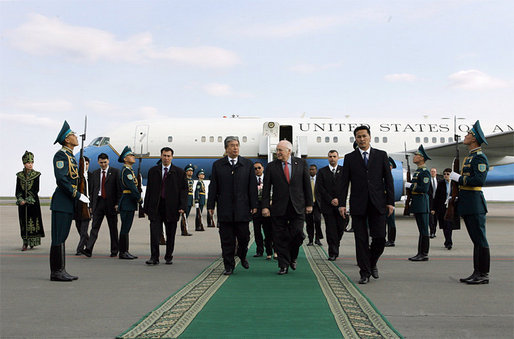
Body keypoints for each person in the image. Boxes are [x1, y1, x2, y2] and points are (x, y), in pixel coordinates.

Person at [339, 126, 394, 284]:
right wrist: (342, 204)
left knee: (380, 238)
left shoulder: (381, 155)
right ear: (355, 139)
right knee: (361, 240)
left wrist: (390, 202)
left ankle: (371, 262)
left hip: (378, 204)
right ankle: (364, 272)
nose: (361, 139)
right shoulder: (350, 158)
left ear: (370, 137)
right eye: (358, 137)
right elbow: (344, 183)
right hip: (358, 204)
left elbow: (388, 180)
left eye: (364, 136)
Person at [207, 136, 258, 275]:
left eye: (237, 145)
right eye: (232, 145)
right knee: (227, 240)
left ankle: (242, 255)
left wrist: (254, 204)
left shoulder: (247, 164)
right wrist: (210, 205)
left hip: (242, 209)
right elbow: (214, 187)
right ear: (226, 148)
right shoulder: (218, 165)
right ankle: (229, 265)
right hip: (225, 209)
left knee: (244, 238)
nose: (235, 148)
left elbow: (252, 187)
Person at [262, 140, 313, 275]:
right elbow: (266, 189)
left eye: (280, 150)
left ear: (289, 151)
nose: (277, 153)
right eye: (277, 150)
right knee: (279, 237)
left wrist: (309, 204)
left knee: (298, 234)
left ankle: (293, 256)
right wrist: (265, 207)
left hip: (297, 206)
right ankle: (283, 265)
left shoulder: (301, 163)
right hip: (279, 208)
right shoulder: (271, 166)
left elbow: (307, 185)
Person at [450, 120, 490, 285]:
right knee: (476, 240)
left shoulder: (479, 158)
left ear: (474, 138)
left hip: (475, 203)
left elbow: (478, 180)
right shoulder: (470, 157)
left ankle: (483, 274)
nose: (466, 136)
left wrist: (459, 178)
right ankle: (477, 272)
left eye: (468, 134)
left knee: (480, 239)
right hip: (468, 203)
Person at [49, 121, 89, 281]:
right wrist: (77, 194)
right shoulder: (61, 155)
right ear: (66, 139)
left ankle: (61, 269)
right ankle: (56, 272)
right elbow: (61, 179)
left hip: (68, 203)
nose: (75, 136)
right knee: (58, 237)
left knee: (63, 236)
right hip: (62, 202)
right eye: (72, 134)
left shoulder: (71, 156)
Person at [144, 147, 187, 265]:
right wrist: (145, 207)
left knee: (170, 234)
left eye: (168, 156)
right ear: (161, 156)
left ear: (172, 157)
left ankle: (169, 256)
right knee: (154, 233)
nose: (166, 158)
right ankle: (154, 257)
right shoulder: (153, 171)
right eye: (164, 155)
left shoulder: (179, 172)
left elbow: (184, 191)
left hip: (172, 208)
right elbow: (149, 190)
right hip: (156, 207)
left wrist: (183, 206)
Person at [81, 153, 121, 258]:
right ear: (98, 162)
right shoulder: (95, 173)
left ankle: (114, 250)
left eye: (105, 162)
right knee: (94, 227)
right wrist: (90, 205)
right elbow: (93, 190)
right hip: (98, 203)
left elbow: (118, 190)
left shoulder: (115, 172)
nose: (103, 164)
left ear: (108, 161)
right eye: (101, 162)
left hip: (111, 204)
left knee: (113, 228)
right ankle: (88, 249)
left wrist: (117, 203)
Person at [315, 150, 346, 261]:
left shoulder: (343, 171)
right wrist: (330, 199)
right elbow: (320, 188)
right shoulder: (322, 172)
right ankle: (332, 252)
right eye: (330, 156)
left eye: (334, 156)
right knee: (331, 230)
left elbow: (345, 187)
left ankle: (336, 244)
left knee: (341, 228)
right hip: (328, 206)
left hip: (341, 205)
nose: (332, 158)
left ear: (338, 157)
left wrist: (339, 200)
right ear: (327, 158)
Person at [406, 145, 431, 262]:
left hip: (422, 203)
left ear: (422, 158)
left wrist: (410, 186)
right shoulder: (418, 171)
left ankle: (424, 253)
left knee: (424, 230)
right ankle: (420, 252)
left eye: (417, 155)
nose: (414, 157)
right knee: (421, 230)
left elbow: (424, 188)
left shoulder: (425, 172)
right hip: (417, 202)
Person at [16, 151, 45, 251]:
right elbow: (18, 190)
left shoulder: (36, 175)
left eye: (32, 162)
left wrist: (28, 200)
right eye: (28, 163)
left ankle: (32, 242)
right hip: (22, 204)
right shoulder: (19, 176)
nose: (30, 164)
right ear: (24, 164)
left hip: (33, 203)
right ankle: (25, 242)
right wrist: (20, 199)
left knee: (33, 221)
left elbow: (36, 189)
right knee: (23, 222)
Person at [118, 146, 141, 260]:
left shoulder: (129, 170)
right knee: (125, 228)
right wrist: (139, 198)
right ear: (125, 159)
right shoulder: (126, 171)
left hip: (129, 201)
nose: (133, 157)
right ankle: (123, 252)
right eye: (131, 155)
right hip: (127, 201)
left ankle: (125, 250)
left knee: (126, 227)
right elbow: (132, 187)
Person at [252, 161, 274, 259]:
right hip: (256, 208)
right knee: (257, 231)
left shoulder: (268, 178)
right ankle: (259, 250)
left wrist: (271, 201)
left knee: (268, 230)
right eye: (255, 169)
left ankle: (270, 250)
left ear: (263, 168)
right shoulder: (251, 180)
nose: (257, 170)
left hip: (267, 207)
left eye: (259, 168)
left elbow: (273, 190)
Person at [433, 168, 455, 250]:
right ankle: (447, 240)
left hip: (451, 207)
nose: (446, 175)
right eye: (444, 174)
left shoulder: (454, 184)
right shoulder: (441, 183)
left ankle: (449, 242)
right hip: (442, 207)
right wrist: (434, 208)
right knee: (444, 225)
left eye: (448, 174)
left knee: (449, 225)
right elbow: (437, 197)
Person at [74, 156, 91, 255]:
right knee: (79, 228)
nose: (85, 166)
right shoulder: (77, 177)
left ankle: (80, 249)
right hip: (78, 207)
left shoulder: (92, 176)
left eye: (87, 164)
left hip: (88, 207)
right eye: (84, 164)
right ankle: (89, 245)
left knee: (84, 229)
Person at [306, 164, 324, 246]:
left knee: (317, 221)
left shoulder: (319, 180)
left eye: (313, 169)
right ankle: (310, 240)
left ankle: (318, 239)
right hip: (308, 204)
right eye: (310, 169)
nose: (311, 171)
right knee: (309, 223)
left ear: (316, 170)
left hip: (317, 204)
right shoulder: (306, 180)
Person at [385, 157, 397, 247]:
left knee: (391, 222)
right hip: (383, 202)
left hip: (389, 202)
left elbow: (391, 191)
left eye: (390, 166)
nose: (389, 167)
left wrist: (391, 204)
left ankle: (391, 240)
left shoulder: (389, 177)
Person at [181, 164, 194, 236]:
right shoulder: (184, 179)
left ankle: (185, 229)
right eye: (189, 171)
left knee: (187, 215)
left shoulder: (191, 180)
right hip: (185, 198)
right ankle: (183, 230)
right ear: (186, 172)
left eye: (191, 171)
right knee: (184, 215)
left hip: (190, 198)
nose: (190, 172)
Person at [428, 167, 438, 238]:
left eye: (434, 171)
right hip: (430, 201)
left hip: (437, 202)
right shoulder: (428, 181)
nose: (433, 173)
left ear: (436, 173)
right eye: (431, 171)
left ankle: (434, 231)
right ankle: (432, 232)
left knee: (435, 219)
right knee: (431, 219)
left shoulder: (439, 181)